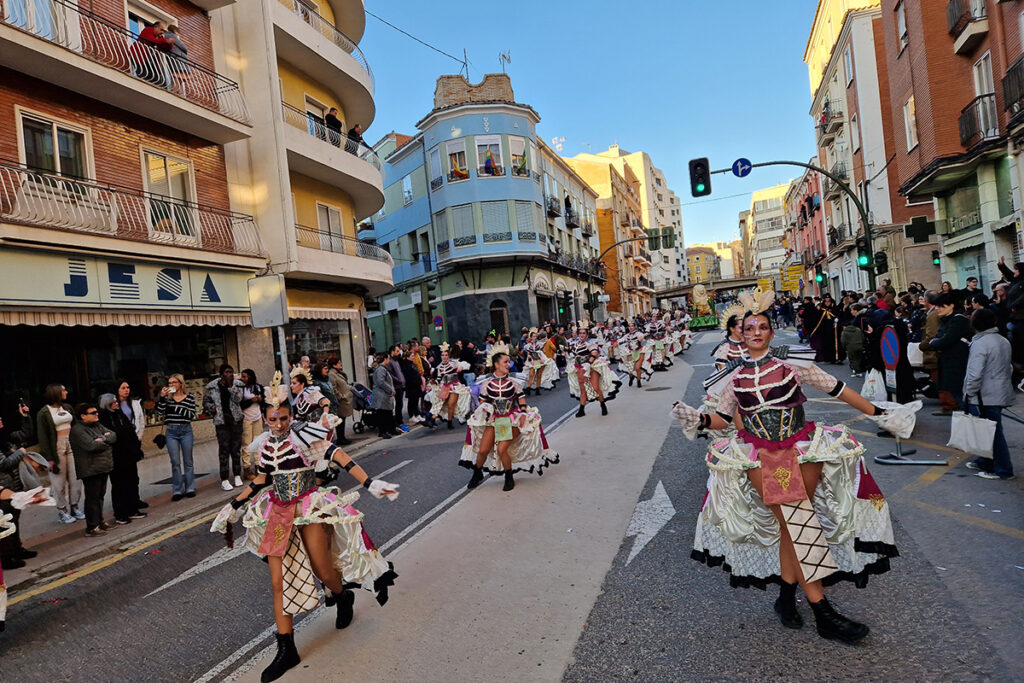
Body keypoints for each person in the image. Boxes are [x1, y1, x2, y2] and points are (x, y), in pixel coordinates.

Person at [674, 307, 901, 643]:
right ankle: (823, 612)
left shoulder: (793, 363)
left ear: (769, 331)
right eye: (749, 327)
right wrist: (699, 419)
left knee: (791, 526)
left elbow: (837, 388)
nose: (755, 332)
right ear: (740, 332)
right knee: (798, 523)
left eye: (762, 327)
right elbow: (723, 418)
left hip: (802, 448)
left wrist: (880, 412)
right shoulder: (733, 377)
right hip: (761, 456)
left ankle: (784, 600)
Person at [210, 374, 398, 682]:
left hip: (309, 507)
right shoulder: (265, 445)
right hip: (278, 513)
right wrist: (233, 506)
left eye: (284, 418)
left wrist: (369, 481)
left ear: (291, 415)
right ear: (266, 418)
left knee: (323, 570)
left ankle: (342, 595)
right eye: (273, 419)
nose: (279, 424)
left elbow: (339, 455)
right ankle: (287, 649)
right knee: (277, 582)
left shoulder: (306, 437)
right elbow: (261, 480)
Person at [460, 352, 559, 492]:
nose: (508, 364)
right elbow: (483, 400)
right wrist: (485, 408)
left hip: (511, 418)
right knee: (482, 450)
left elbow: (521, 399)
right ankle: (477, 473)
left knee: (501, 449)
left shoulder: (514, 381)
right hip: (494, 419)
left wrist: (523, 413)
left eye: (509, 362)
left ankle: (508, 476)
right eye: (505, 362)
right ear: (496, 364)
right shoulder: (486, 382)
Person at [962, 308, 1016, 480]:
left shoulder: (980, 343)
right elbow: (1009, 367)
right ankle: (985, 461)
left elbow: (975, 373)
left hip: (984, 395)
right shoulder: (1003, 340)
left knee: (993, 432)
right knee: (988, 430)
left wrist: (968, 393)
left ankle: (1003, 470)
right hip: (999, 391)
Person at [919, 293, 972, 416]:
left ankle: (970, 418)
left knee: (960, 394)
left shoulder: (958, 320)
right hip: (947, 361)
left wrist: (937, 342)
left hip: (958, 363)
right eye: (937, 306)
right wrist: (937, 342)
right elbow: (938, 339)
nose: (938, 308)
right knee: (954, 391)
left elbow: (944, 340)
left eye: (941, 306)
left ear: (951, 306)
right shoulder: (945, 320)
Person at [97, 394, 146, 525]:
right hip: (116, 456)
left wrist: (136, 448)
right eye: (113, 402)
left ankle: (132, 509)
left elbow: (130, 430)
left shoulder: (119, 414)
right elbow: (109, 437)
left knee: (131, 481)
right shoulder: (104, 418)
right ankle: (120, 513)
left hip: (129, 454)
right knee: (119, 485)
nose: (116, 403)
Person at [37, 384, 81, 525]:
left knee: (76, 479)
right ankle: (62, 511)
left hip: (72, 445)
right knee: (58, 482)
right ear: (56, 393)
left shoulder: (67, 407)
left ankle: (75, 507)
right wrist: (49, 458)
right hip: (57, 448)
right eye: (63, 390)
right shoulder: (44, 412)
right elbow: (42, 437)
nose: (66, 392)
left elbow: (75, 425)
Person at [70, 403, 116, 537]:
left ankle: (100, 521)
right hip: (90, 468)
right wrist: (104, 441)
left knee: (100, 495)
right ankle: (92, 526)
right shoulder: (78, 430)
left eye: (96, 412)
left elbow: (113, 435)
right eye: (93, 413)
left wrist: (103, 438)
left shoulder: (97, 425)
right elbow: (91, 445)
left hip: (102, 466)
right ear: (83, 416)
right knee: (92, 498)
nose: (97, 414)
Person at [156, 374, 198, 501]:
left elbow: (191, 415)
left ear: (180, 384)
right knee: (175, 462)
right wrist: (162, 398)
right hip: (171, 431)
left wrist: (177, 407)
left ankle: (190, 487)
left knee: (188, 461)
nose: (171, 385)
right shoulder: (167, 399)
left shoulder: (189, 397)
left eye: (174, 382)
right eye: (169, 383)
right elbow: (160, 412)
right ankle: (177, 489)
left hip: (185, 430)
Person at [204, 364, 245, 491]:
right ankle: (225, 479)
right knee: (224, 451)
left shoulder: (237, 385)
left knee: (236, 449)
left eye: (231, 372)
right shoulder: (212, 387)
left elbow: (238, 399)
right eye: (227, 372)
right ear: (221, 374)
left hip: (235, 420)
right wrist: (211, 407)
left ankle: (237, 475)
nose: (230, 374)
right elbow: (205, 401)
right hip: (221, 422)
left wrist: (231, 387)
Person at [428, 346, 472, 428]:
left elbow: (467, 365)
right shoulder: (439, 367)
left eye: (446, 355)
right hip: (445, 386)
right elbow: (439, 378)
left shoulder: (454, 363)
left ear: (449, 356)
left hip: (455, 386)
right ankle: (432, 420)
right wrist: (434, 382)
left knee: (451, 404)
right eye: (442, 355)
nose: (444, 357)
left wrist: (461, 367)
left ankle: (449, 422)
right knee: (439, 402)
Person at [239, 369, 266, 478]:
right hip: (246, 418)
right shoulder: (241, 389)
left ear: (250, 377)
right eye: (242, 377)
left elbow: (265, 401)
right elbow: (240, 404)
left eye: (245, 377)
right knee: (246, 443)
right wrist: (251, 400)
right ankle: (246, 468)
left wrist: (260, 400)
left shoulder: (258, 387)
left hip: (258, 417)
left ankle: (258, 465)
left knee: (258, 442)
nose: (242, 379)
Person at [327, 357, 354, 445]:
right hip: (341, 401)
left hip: (345, 400)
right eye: (339, 363)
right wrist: (340, 396)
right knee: (340, 420)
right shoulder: (332, 374)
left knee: (343, 419)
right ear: (334, 365)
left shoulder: (338, 373)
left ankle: (342, 437)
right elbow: (333, 388)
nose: (341, 364)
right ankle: (340, 438)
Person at [370, 353, 396, 439]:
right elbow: (381, 382)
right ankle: (382, 431)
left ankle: (390, 429)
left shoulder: (382, 369)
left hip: (384, 394)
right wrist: (390, 390)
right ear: (385, 359)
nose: (389, 360)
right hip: (382, 395)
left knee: (387, 413)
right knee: (382, 414)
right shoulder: (381, 369)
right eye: (388, 358)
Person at [840, 304, 867, 377]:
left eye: (852, 310)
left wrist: (845, 347)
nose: (851, 312)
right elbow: (862, 336)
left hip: (851, 347)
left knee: (853, 359)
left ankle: (857, 371)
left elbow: (843, 341)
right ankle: (861, 369)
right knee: (859, 357)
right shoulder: (858, 328)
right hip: (859, 344)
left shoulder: (857, 319)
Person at [386, 345, 407, 432]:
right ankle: (398, 421)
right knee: (398, 404)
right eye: (397, 351)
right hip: (396, 386)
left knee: (400, 404)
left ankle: (400, 420)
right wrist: (398, 380)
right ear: (392, 351)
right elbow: (390, 375)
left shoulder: (396, 361)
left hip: (400, 385)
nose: (399, 353)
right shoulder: (390, 362)